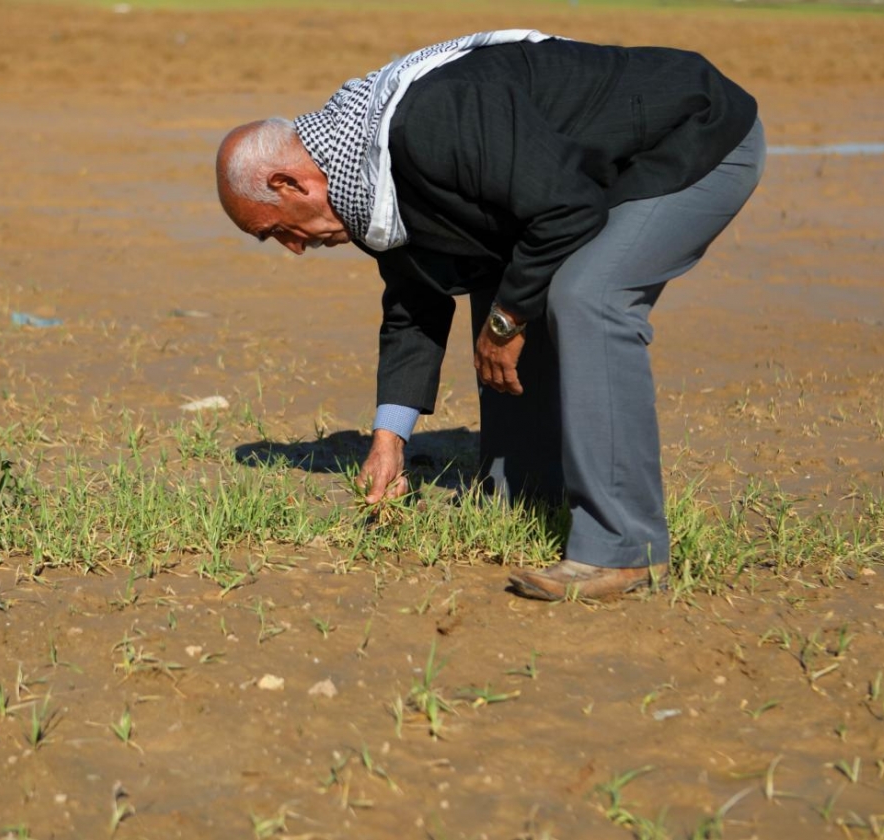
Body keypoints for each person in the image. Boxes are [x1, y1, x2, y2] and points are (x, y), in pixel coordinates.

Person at [215, 31, 764, 600]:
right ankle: (528, 496)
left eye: (276, 229)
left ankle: (625, 550)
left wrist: (504, 324)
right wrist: (389, 441)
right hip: (587, 178)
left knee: (586, 296)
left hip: (695, 137)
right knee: (506, 283)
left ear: (290, 182)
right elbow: (413, 305)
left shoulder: (429, 123)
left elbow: (567, 211)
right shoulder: (368, 183)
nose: (293, 248)